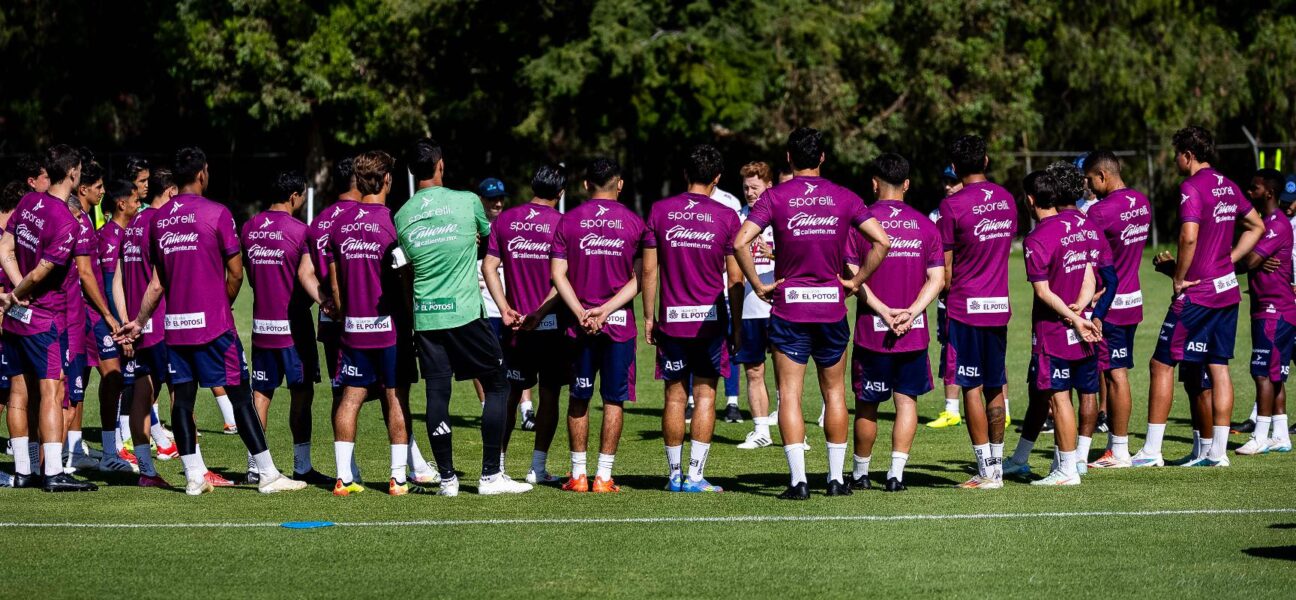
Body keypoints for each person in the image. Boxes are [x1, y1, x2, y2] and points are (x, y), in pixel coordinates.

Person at [116, 146, 306, 495]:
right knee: (240, 397)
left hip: (176, 328)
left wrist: (139, 321)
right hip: (215, 328)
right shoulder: (217, 213)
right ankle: (267, 474)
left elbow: (157, 283)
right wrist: (223, 305)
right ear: (202, 173)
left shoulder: (158, 220)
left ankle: (193, 477)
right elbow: (236, 273)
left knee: (183, 400)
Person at [733, 127, 891, 500]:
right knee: (834, 392)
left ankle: (799, 482)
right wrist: (856, 282)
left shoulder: (774, 196)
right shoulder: (845, 196)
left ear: (789, 158)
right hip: (831, 308)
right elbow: (882, 240)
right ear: (822, 157)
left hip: (790, 308)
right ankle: (835, 480)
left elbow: (739, 242)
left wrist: (758, 285)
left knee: (789, 393)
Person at [394, 139, 530, 496]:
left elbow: (407, 267)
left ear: (412, 172)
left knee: (437, 393)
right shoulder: (468, 201)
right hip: (466, 313)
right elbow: (488, 241)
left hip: (427, 316)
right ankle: (490, 476)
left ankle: (448, 480)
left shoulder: (402, 215)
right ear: (440, 164)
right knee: (498, 385)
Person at [1130, 127, 1264, 468]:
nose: (1175, 159)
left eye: (1177, 153)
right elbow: (1256, 226)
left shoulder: (1191, 187)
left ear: (1188, 155)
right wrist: (1229, 260)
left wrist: (1179, 277)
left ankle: (1151, 451)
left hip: (1198, 292)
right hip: (1227, 289)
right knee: (1219, 366)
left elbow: (1188, 237)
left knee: (1161, 363)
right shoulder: (1228, 185)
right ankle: (1217, 453)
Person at [643, 144, 742, 493]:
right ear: (717, 178)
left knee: (674, 397)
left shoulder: (660, 210)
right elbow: (735, 279)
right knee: (705, 397)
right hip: (710, 323)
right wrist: (737, 326)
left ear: (685, 173)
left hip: (671, 320)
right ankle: (696, 476)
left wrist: (649, 317)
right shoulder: (727, 216)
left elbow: (649, 271)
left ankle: (674, 476)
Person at [326, 150, 426, 496]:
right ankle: (398, 478)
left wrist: (345, 314)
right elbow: (405, 279)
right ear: (387, 180)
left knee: (350, 398)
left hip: (354, 327)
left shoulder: (340, 224)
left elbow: (335, 282)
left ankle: (344, 478)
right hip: (390, 328)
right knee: (395, 396)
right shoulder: (393, 223)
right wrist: (412, 319)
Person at [0, 145, 97, 491]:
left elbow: (5, 249)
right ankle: (54, 472)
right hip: (45, 316)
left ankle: (23, 471)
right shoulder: (66, 221)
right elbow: (42, 271)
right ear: (72, 173)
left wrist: (15, 293)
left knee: (18, 391)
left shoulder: (28, 201)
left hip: (16, 315)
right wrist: (22, 291)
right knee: (52, 390)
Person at [844, 153, 943, 492]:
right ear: (907, 184)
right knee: (906, 402)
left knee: (867, 405)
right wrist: (911, 312)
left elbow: (853, 277)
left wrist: (883, 311)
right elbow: (937, 279)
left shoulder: (861, 223)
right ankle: (896, 476)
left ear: (874, 184)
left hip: (872, 331)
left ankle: (860, 474)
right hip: (912, 331)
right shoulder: (926, 225)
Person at [551, 157, 645, 493]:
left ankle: (578, 476)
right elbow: (640, 279)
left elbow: (557, 274)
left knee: (579, 397)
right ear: (620, 184)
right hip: (618, 324)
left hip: (579, 325)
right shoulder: (635, 222)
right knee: (613, 400)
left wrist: (582, 312)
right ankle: (603, 477)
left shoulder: (568, 220)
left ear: (586, 184)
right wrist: (605, 311)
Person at [241, 171, 334, 486]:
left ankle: (255, 466)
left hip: (262, 325)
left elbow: (250, 277)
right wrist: (325, 300)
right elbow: (307, 277)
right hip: (293, 327)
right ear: (294, 196)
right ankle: (302, 465)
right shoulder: (300, 231)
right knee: (302, 393)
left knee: (261, 394)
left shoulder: (249, 228)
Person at [937, 135, 1018, 489]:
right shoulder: (1007, 199)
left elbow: (946, 266)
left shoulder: (951, 205)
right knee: (995, 384)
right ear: (985, 161)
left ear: (955, 168)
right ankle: (997, 467)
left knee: (970, 385)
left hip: (965, 307)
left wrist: (943, 293)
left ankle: (986, 471)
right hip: (998, 306)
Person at [482, 164, 569, 484]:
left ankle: (499, 466)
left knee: (509, 395)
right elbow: (563, 278)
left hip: (515, 327)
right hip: (552, 326)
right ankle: (537, 468)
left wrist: (505, 308)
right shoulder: (562, 223)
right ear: (560, 193)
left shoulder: (505, 220)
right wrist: (541, 313)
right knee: (549, 396)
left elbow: (489, 267)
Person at [1019, 164, 1102, 486]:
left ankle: (1067, 470)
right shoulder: (1077, 227)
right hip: (1080, 325)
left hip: (1053, 330)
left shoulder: (1036, 238)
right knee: (1077, 393)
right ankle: (1067, 463)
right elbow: (1089, 275)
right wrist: (1081, 311)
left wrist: (1073, 318)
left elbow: (1043, 292)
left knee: (1059, 397)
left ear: (1030, 199)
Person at [1081, 150, 1151, 468]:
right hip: (1132, 299)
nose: (1089, 186)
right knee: (1114, 373)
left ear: (1102, 175)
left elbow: (1089, 259)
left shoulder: (1100, 212)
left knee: (1114, 375)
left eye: (1090, 179)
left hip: (1108, 304)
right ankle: (1115, 446)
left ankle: (1119, 450)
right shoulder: (1142, 202)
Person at [1234, 169, 1295, 455]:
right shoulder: (1262, 223)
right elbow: (1250, 257)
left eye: (1254, 188)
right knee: (1274, 374)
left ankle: (1260, 435)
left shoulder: (1276, 224)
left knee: (1262, 373)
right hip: (1268, 308)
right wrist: (1254, 257)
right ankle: (1280, 435)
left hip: (1275, 310)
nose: (1249, 192)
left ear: (1269, 192)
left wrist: (1253, 257)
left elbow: (1247, 261)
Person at [735, 161, 780, 450]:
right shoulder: (739, 218)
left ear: (769, 186)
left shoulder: (782, 215)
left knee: (786, 373)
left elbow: (800, 258)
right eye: (746, 188)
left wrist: (772, 253)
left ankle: (794, 432)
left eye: (755, 187)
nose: (750, 193)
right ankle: (761, 430)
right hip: (750, 307)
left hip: (780, 307)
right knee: (753, 370)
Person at [928, 165, 966, 429]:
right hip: (947, 291)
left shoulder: (969, 209)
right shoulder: (935, 214)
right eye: (945, 181)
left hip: (961, 291)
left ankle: (1003, 409)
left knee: (986, 350)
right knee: (949, 346)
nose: (948, 186)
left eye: (953, 182)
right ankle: (951, 410)